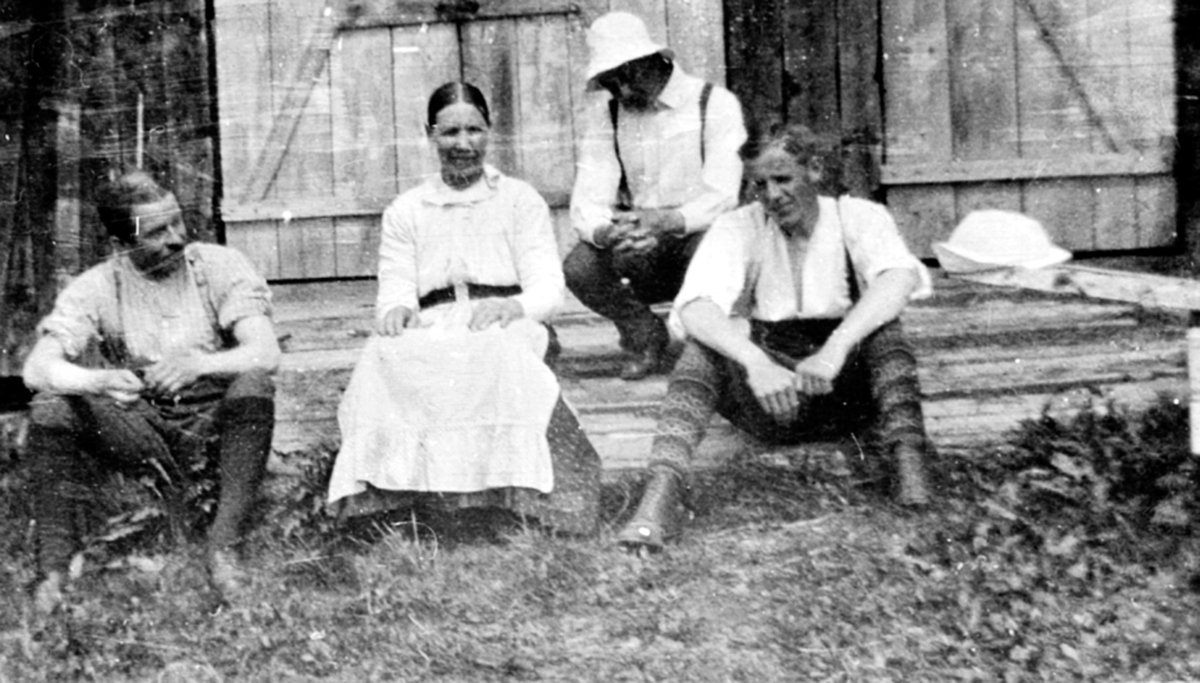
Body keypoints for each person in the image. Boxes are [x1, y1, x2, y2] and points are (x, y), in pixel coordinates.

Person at [616, 124, 936, 552]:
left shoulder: (857, 216)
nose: (772, 195)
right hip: (770, 399)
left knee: (885, 333)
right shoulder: (738, 227)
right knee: (700, 350)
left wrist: (836, 349)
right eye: (760, 185)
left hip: (844, 395)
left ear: (815, 170)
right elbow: (694, 308)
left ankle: (910, 469)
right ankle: (660, 493)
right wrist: (757, 363)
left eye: (783, 179)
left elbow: (898, 278)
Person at [326, 82, 601, 536]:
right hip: (434, 324)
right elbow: (395, 290)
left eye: (474, 130)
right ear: (430, 134)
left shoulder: (519, 200)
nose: (463, 144)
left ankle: (505, 503)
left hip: (507, 320)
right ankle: (393, 501)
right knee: (382, 355)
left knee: (492, 352)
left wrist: (512, 306)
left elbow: (550, 290)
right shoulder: (406, 209)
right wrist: (396, 311)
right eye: (450, 132)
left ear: (489, 132)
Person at [23, 170, 280, 609]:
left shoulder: (218, 265)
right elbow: (36, 369)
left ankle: (223, 547)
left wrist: (201, 364)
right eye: (157, 231)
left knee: (254, 383)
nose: (176, 238)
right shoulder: (99, 285)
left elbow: (265, 353)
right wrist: (97, 380)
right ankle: (53, 570)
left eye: (177, 222)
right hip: (143, 428)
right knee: (50, 407)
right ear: (121, 243)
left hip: (211, 423)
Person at [564, 11, 747, 380]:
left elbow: (723, 195)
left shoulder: (714, 104)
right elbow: (588, 200)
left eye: (623, 77)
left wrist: (664, 222)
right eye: (610, 83)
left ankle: (707, 345)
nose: (620, 92)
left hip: (698, 240)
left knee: (717, 245)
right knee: (580, 266)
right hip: (640, 246)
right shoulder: (609, 115)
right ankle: (643, 333)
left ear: (646, 62)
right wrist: (609, 232)